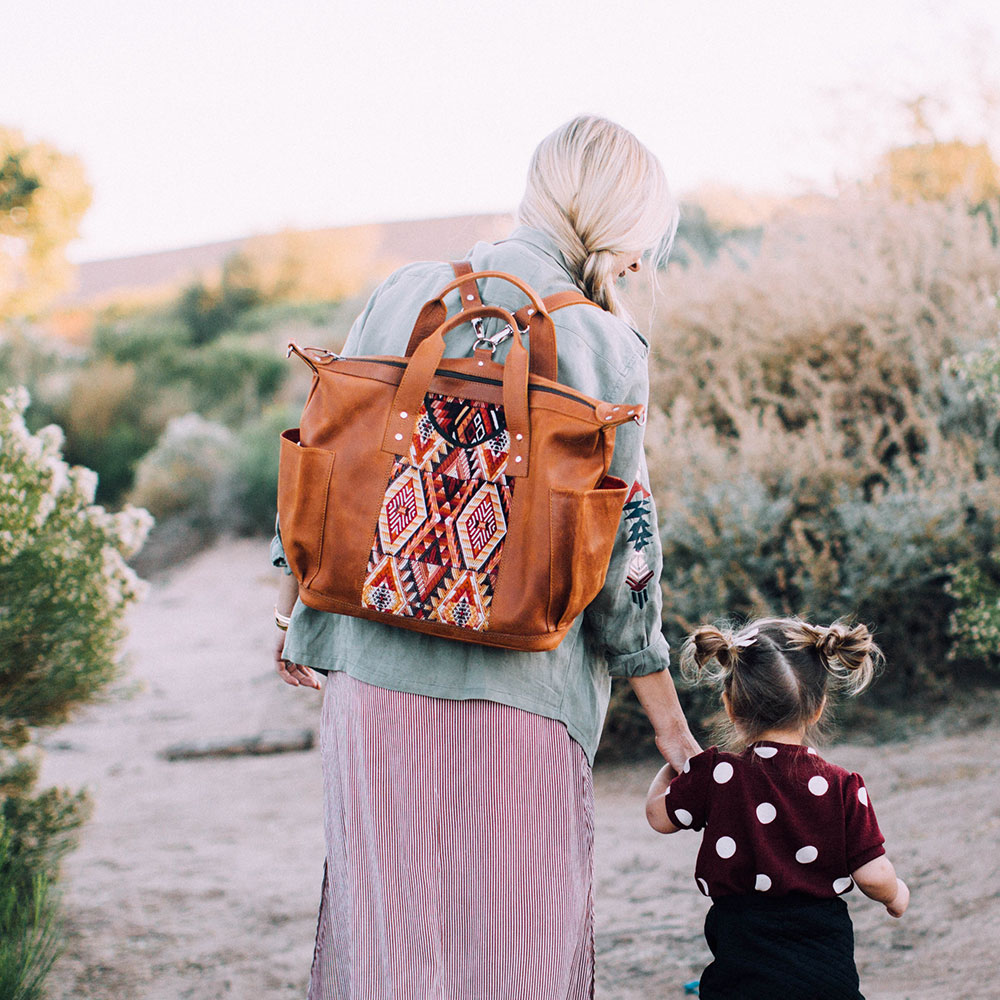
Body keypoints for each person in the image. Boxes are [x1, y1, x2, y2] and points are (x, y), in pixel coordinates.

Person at [270, 114, 701, 999]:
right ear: (624, 233)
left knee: (389, 929)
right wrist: (665, 714)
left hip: (373, 667)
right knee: (514, 945)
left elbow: (326, 456)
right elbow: (631, 550)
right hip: (525, 687)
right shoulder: (605, 344)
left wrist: (296, 611)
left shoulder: (406, 291)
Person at [645, 617, 910, 1000]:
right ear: (817, 707)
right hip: (824, 978)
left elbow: (657, 815)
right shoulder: (842, 785)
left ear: (730, 705)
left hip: (742, 975)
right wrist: (896, 895)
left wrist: (678, 765)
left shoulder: (715, 774)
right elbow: (872, 875)